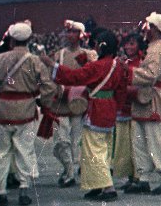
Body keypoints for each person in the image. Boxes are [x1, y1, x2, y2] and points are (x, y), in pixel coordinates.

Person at [40, 28, 127, 201]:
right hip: (110, 108)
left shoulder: (97, 66)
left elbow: (74, 77)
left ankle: (108, 187)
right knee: (101, 148)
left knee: (94, 149)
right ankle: (96, 184)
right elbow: (121, 90)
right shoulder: (118, 65)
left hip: (97, 109)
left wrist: (52, 65)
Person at [0, 22, 57, 206]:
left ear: (11, 39)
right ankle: (24, 188)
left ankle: (1, 191)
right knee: (25, 149)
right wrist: (44, 104)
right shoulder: (34, 61)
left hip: (2, 110)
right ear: (28, 39)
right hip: (26, 110)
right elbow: (48, 87)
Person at [124, 12, 161, 196]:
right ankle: (143, 178)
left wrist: (129, 73)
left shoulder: (157, 49)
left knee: (155, 140)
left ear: (156, 29)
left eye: (149, 26)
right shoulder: (152, 47)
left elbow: (151, 75)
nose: (145, 29)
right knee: (140, 140)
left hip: (152, 99)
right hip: (143, 99)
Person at [51, 19, 98, 188]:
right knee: (61, 140)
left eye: (74, 32)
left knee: (76, 138)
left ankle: (72, 171)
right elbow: (53, 78)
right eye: (68, 32)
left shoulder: (89, 55)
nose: (70, 35)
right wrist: (59, 89)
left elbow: (93, 77)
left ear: (81, 35)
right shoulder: (59, 55)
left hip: (80, 102)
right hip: (62, 102)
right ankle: (68, 167)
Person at [112, 32, 142, 189]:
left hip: (136, 108)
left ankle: (138, 176)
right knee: (123, 145)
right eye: (127, 44)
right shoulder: (123, 62)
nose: (129, 47)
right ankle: (128, 176)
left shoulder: (142, 63)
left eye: (132, 43)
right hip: (123, 109)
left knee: (136, 143)